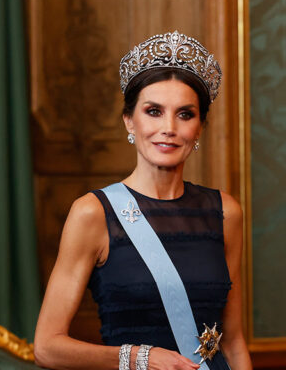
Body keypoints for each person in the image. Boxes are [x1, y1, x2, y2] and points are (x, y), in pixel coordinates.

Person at [33, 31, 252, 370]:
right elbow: (47, 348)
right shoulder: (92, 213)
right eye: (153, 111)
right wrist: (139, 357)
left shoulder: (226, 212)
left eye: (185, 114)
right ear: (129, 121)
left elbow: (234, 343)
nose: (168, 127)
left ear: (200, 128)